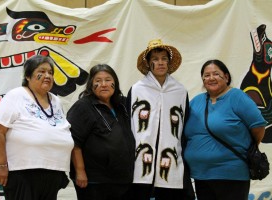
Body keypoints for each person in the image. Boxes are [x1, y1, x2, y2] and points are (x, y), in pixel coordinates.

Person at [0, 55, 74, 200]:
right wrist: (2, 165)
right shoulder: (15, 95)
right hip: (22, 173)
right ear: (28, 76)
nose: (48, 75)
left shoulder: (56, 101)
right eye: (42, 71)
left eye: (50, 72)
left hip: (53, 173)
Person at [184, 59, 267, 200]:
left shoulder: (237, 97)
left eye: (216, 74)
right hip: (201, 175)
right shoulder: (196, 101)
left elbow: (258, 127)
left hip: (232, 175)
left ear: (226, 77)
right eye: (206, 75)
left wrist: (249, 147)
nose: (211, 78)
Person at [127, 39, 194, 200]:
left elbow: (183, 126)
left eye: (164, 58)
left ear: (169, 63)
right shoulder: (137, 90)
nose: (160, 63)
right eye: (155, 59)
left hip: (170, 157)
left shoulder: (180, 91)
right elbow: (129, 124)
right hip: (141, 158)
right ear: (149, 64)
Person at [67, 64, 135, 200]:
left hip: (123, 179)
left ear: (115, 82)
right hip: (95, 181)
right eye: (98, 81)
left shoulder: (123, 105)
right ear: (91, 84)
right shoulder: (83, 106)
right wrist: (80, 171)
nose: (104, 84)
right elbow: (73, 142)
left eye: (108, 80)